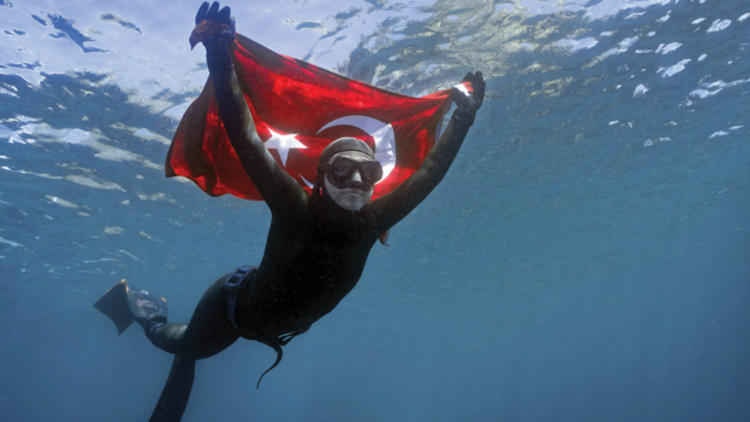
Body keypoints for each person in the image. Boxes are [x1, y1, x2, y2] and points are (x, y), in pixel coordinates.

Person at [94, 2, 484, 421]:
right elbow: (245, 138)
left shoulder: (375, 219)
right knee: (180, 343)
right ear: (319, 177)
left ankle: (176, 339)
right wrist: (218, 53)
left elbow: (430, 171)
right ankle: (145, 311)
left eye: (367, 172)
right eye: (341, 170)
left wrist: (464, 117)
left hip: (261, 316)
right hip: (230, 309)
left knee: (192, 351)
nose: (355, 182)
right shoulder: (294, 206)